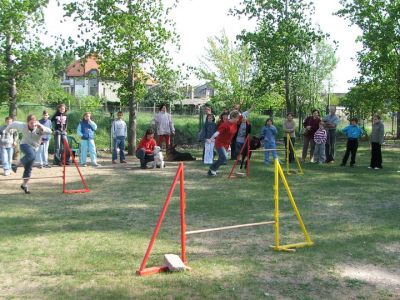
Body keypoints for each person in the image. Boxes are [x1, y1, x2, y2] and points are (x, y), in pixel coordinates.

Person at [5, 114, 52, 193]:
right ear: (27, 123)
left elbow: (50, 131)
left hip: (34, 147)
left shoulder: (38, 127)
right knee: (31, 155)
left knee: (29, 167)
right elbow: (13, 123)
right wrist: (7, 130)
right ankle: (15, 165)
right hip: (24, 144)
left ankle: (24, 185)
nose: (33, 125)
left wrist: (41, 126)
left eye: (34, 123)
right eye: (31, 123)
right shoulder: (22, 126)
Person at [207, 110, 241, 176]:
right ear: (233, 118)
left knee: (222, 159)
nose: (238, 119)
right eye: (237, 118)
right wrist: (211, 139)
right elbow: (217, 132)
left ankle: (212, 171)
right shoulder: (225, 125)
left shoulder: (235, 124)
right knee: (224, 157)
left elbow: (244, 114)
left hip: (226, 144)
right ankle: (212, 168)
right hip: (219, 143)